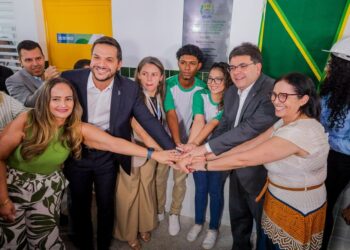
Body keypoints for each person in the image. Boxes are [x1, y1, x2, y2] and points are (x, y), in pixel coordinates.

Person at [0, 77, 177, 249]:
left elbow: (113, 143)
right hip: (13, 187)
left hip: (47, 189)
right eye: (56, 99)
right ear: (45, 100)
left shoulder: (75, 128)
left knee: (45, 239)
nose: (63, 104)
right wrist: (3, 200)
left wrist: (154, 154)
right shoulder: (27, 120)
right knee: (12, 240)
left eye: (68, 99)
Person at [185, 72, 329, 250]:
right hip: (277, 201)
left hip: (297, 208)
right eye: (274, 94)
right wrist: (204, 156)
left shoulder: (300, 131)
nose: (276, 100)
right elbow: (249, 145)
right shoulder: (284, 122)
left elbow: (244, 159)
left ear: (303, 99)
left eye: (283, 96)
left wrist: (203, 165)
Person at [61, 36, 176, 250]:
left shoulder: (130, 89)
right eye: (96, 57)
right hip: (77, 151)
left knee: (106, 204)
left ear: (118, 64)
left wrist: (173, 151)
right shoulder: (70, 79)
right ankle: (84, 244)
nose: (101, 64)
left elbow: (149, 121)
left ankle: (104, 244)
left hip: (108, 154)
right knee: (79, 204)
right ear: (91, 58)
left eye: (109, 59)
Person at [182, 42, 277, 249]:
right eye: (233, 67)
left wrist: (205, 150)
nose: (237, 72)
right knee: (239, 218)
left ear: (258, 67)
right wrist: (198, 148)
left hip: (258, 171)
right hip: (234, 169)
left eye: (243, 66)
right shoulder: (232, 92)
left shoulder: (271, 90)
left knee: (264, 226)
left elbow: (248, 129)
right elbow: (224, 123)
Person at [113, 56, 168, 249]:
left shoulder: (159, 96)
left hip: (153, 152)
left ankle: (145, 225)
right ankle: (128, 233)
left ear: (161, 77)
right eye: (144, 73)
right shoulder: (131, 95)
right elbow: (136, 126)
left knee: (147, 188)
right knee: (128, 193)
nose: (149, 78)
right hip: (133, 150)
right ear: (138, 75)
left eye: (154, 74)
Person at [184, 62, 231, 249]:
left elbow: (213, 124)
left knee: (215, 190)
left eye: (218, 79)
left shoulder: (230, 101)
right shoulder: (200, 95)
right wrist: (193, 149)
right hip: (198, 149)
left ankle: (213, 229)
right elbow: (199, 120)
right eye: (210, 78)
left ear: (227, 81)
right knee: (200, 188)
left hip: (219, 153)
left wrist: (194, 147)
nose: (212, 82)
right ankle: (198, 223)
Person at [162, 44, 206, 236]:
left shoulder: (203, 88)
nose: (187, 67)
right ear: (178, 63)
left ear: (199, 66)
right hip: (164, 141)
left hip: (188, 144)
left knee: (180, 181)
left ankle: (174, 213)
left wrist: (185, 146)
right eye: (183, 63)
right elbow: (170, 114)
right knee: (158, 178)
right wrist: (175, 142)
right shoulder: (168, 84)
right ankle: (157, 210)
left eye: (192, 63)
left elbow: (200, 119)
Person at [320, 37, 350, 249]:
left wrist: (324, 138)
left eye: (333, 63)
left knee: (324, 206)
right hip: (322, 153)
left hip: (341, 161)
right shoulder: (330, 92)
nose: (328, 66)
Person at [5, 40, 60, 107]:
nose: (35, 64)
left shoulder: (53, 74)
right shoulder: (13, 81)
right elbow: (28, 104)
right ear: (21, 62)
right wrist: (46, 82)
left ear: (43, 57)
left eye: (38, 58)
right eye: (28, 60)